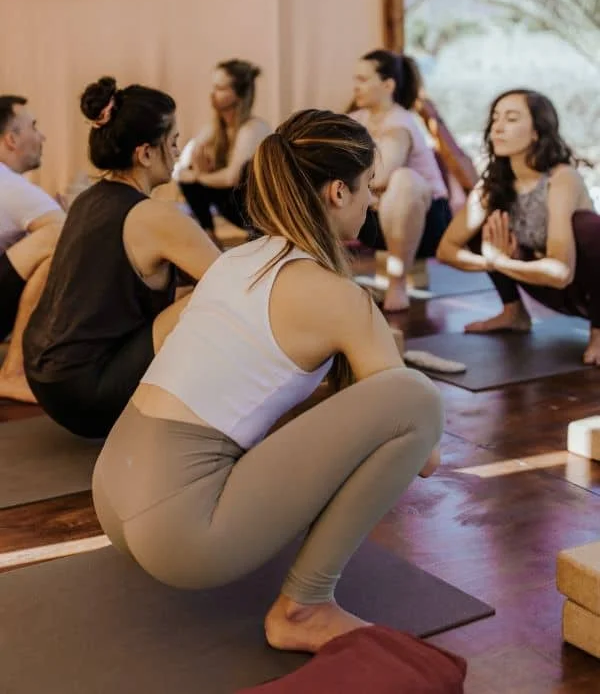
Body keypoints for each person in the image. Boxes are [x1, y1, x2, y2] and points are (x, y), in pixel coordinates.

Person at [92, 108, 444, 655]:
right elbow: (424, 453)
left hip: (112, 490)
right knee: (417, 399)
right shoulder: (341, 299)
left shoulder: (235, 261)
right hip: (179, 532)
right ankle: (305, 606)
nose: (372, 202)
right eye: (369, 186)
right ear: (338, 193)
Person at [23, 77, 219, 437]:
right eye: (173, 142)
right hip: (86, 393)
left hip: (42, 376)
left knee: (194, 295)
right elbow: (231, 284)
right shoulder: (154, 216)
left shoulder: (88, 199)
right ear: (145, 153)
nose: (178, 152)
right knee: (213, 299)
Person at [436, 88, 600, 365]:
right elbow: (446, 249)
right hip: (553, 289)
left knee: (587, 227)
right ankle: (514, 312)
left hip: (585, 289)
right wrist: (494, 261)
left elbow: (562, 271)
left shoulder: (562, 179)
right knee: (488, 227)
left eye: (511, 119)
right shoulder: (492, 186)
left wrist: (500, 262)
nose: (498, 127)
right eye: (495, 118)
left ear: (537, 132)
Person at [350, 50, 452, 312]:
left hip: (429, 223)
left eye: (363, 80)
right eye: (355, 79)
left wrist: (365, 191)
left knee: (404, 179)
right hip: (374, 218)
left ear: (388, 85)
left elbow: (380, 176)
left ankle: (397, 284)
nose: (355, 87)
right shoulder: (355, 121)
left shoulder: (400, 124)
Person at [0, 95, 64, 402]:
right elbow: (66, 233)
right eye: (34, 127)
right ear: (11, 139)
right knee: (58, 239)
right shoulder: (7, 184)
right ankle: (12, 373)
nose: (42, 136)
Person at [174, 59, 270, 238]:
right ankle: (209, 237)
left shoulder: (253, 129)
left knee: (196, 181)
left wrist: (198, 176)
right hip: (233, 204)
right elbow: (184, 164)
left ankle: (258, 233)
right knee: (190, 183)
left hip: (256, 209)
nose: (213, 94)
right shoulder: (216, 128)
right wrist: (196, 171)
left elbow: (232, 178)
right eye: (214, 87)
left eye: (220, 88)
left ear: (238, 94)